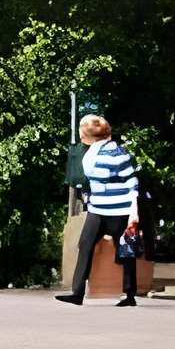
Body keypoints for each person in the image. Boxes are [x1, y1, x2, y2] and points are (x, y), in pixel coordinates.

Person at [57, 113, 143, 307]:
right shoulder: (92, 152)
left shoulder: (116, 153)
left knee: (124, 249)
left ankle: (129, 294)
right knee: (86, 244)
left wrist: (133, 209)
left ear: (89, 135)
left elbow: (131, 182)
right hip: (98, 208)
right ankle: (77, 292)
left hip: (119, 209)